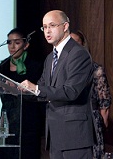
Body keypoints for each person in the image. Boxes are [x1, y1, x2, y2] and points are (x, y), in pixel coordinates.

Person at [19, 10, 95, 159]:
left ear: (65, 26)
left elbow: (71, 91)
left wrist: (36, 88)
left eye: (52, 25)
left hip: (74, 137)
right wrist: (17, 89)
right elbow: (42, 89)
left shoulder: (78, 53)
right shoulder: (50, 58)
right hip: (55, 137)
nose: (47, 31)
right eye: (44, 27)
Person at [0, 27, 44, 159]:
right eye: (9, 42)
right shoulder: (1, 68)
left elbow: (40, 94)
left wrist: (17, 90)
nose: (12, 46)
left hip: (28, 122)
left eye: (16, 42)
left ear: (26, 44)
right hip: (7, 123)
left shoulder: (36, 66)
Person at [70, 30, 112, 159]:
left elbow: (104, 102)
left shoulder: (95, 69)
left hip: (90, 120)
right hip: (69, 121)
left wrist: (101, 126)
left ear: (83, 45)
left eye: (75, 43)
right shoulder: (62, 69)